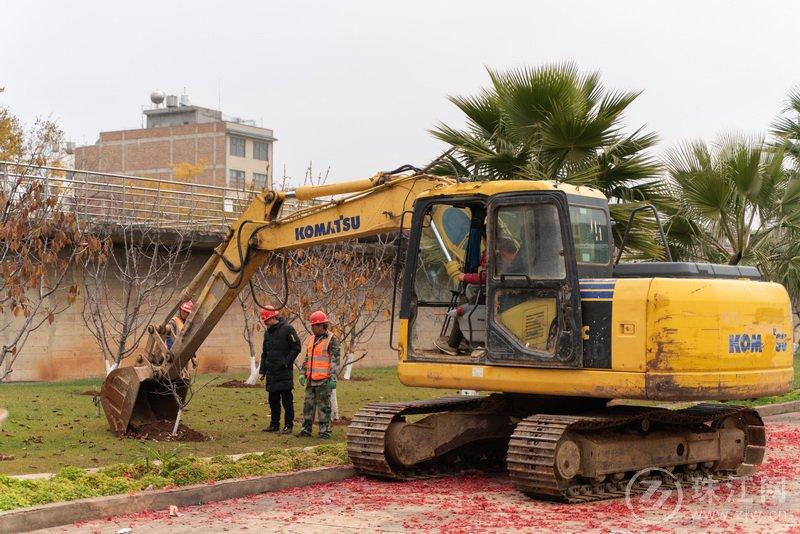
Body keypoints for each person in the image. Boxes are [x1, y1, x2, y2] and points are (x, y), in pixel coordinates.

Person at [258, 306, 302, 434]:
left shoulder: (288, 329)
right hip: (271, 372)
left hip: (284, 372)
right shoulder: (267, 333)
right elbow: (264, 353)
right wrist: (262, 371)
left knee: (287, 401)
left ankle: (289, 425)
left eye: (266, 321)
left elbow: (296, 347)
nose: (265, 324)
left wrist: (286, 362)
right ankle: (274, 424)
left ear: (272, 318)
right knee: (273, 401)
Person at [297, 310, 340, 439]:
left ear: (321, 325)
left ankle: (324, 431)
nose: (312, 328)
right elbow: (307, 358)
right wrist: (302, 373)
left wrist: (333, 378)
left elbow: (335, 360)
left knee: (324, 407)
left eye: (313, 326)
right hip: (311, 379)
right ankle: (306, 429)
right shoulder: (311, 339)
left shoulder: (332, 340)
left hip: (324, 380)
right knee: (308, 406)